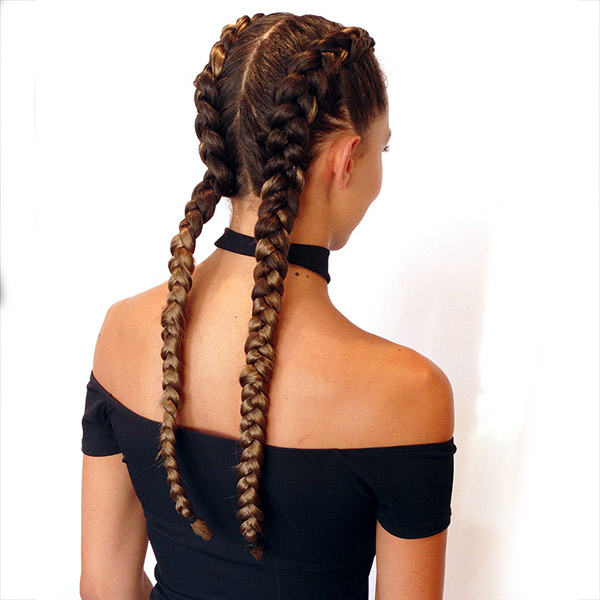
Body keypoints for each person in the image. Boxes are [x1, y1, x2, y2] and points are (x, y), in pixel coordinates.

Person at [80, 12, 456, 600]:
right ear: (346, 158)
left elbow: (103, 586)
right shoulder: (409, 393)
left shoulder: (121, 333)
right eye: (383, 148)